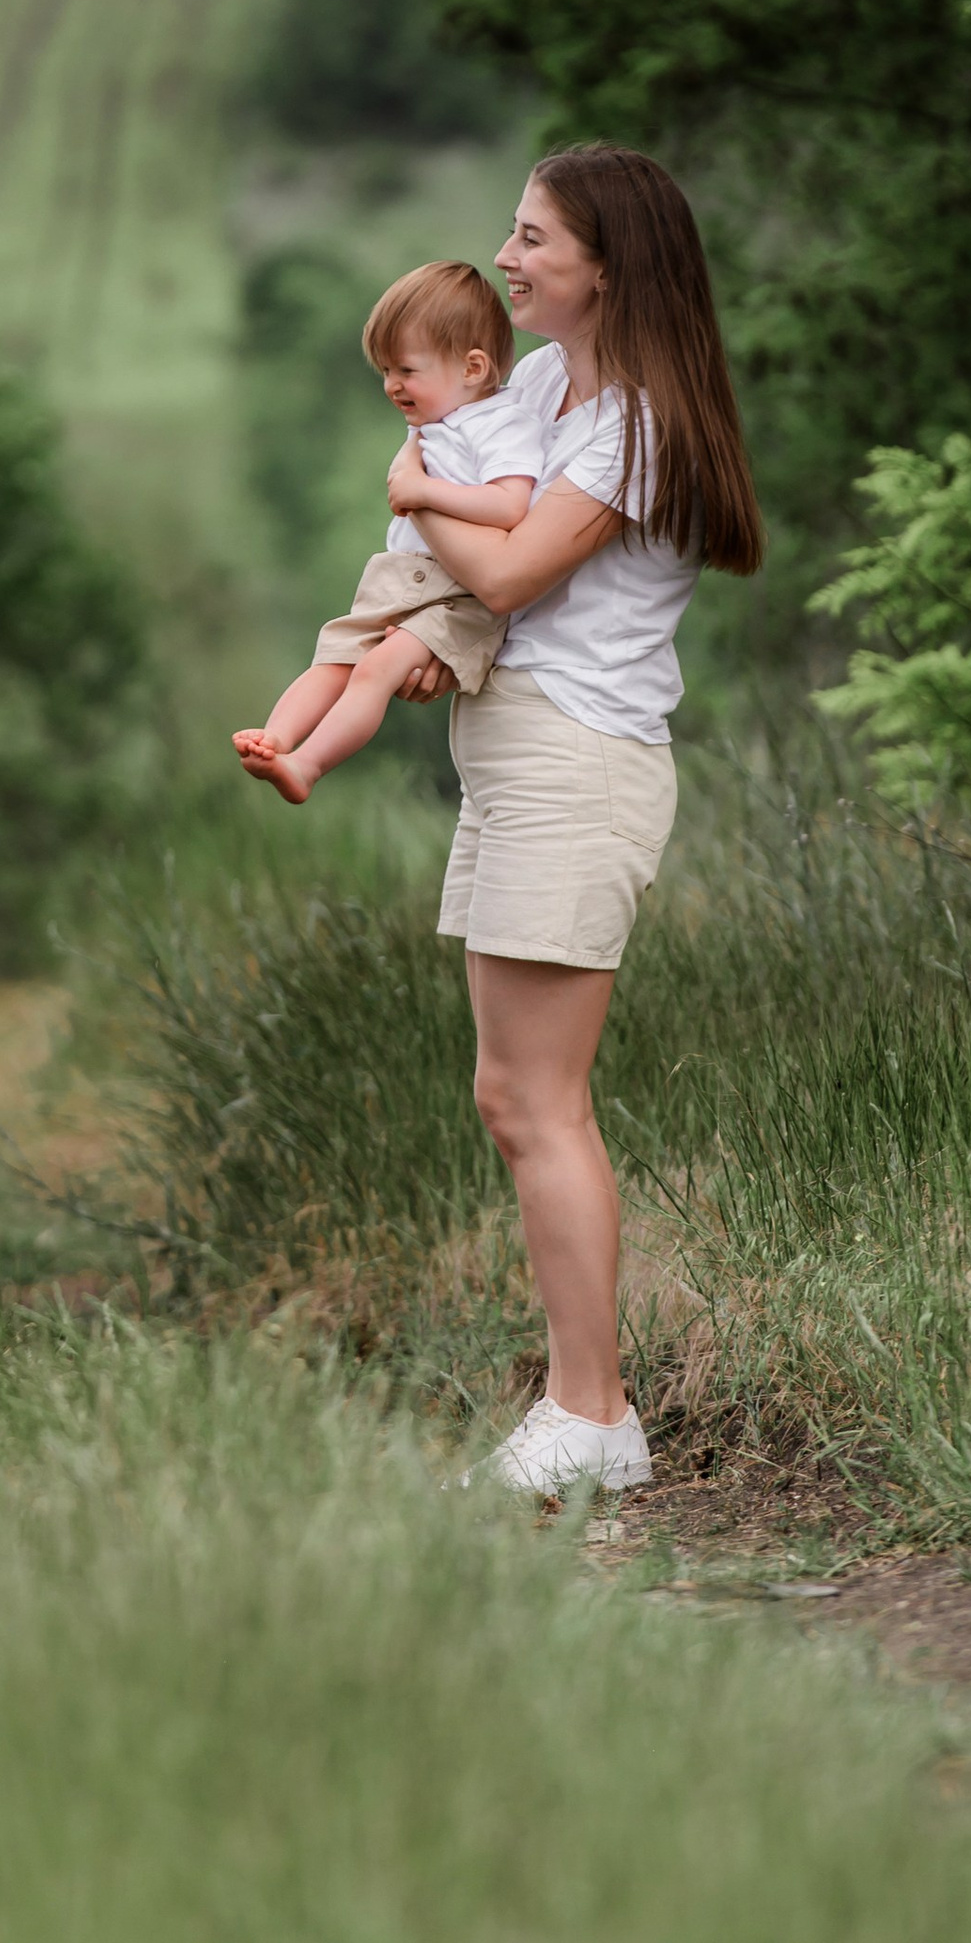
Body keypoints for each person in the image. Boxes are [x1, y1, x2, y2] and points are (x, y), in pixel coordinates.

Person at [384, 149, 763, 1501]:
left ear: (609, 266)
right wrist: (437, 588)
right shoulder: (546, 384)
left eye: (535, 237)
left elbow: (510, 561)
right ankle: (576, 1408)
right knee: (509, 1096)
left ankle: (592, 1415)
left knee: (542, 1101)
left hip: (576, 762)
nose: (509, 256)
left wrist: (418, 499)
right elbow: (471, 544)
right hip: (514, 752)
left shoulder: (638, 425)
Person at [233, 262, 537, 803]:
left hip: (459, 592)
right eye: (385, 370)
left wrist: (421, 493)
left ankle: (308, 766)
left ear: (472, 367)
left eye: (406, 370)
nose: (392, 385)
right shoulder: (438, 419)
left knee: (373, 670)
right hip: (402, 577)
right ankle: (276, 739)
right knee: (333, 659)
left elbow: (510, 506)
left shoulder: (501, 422)